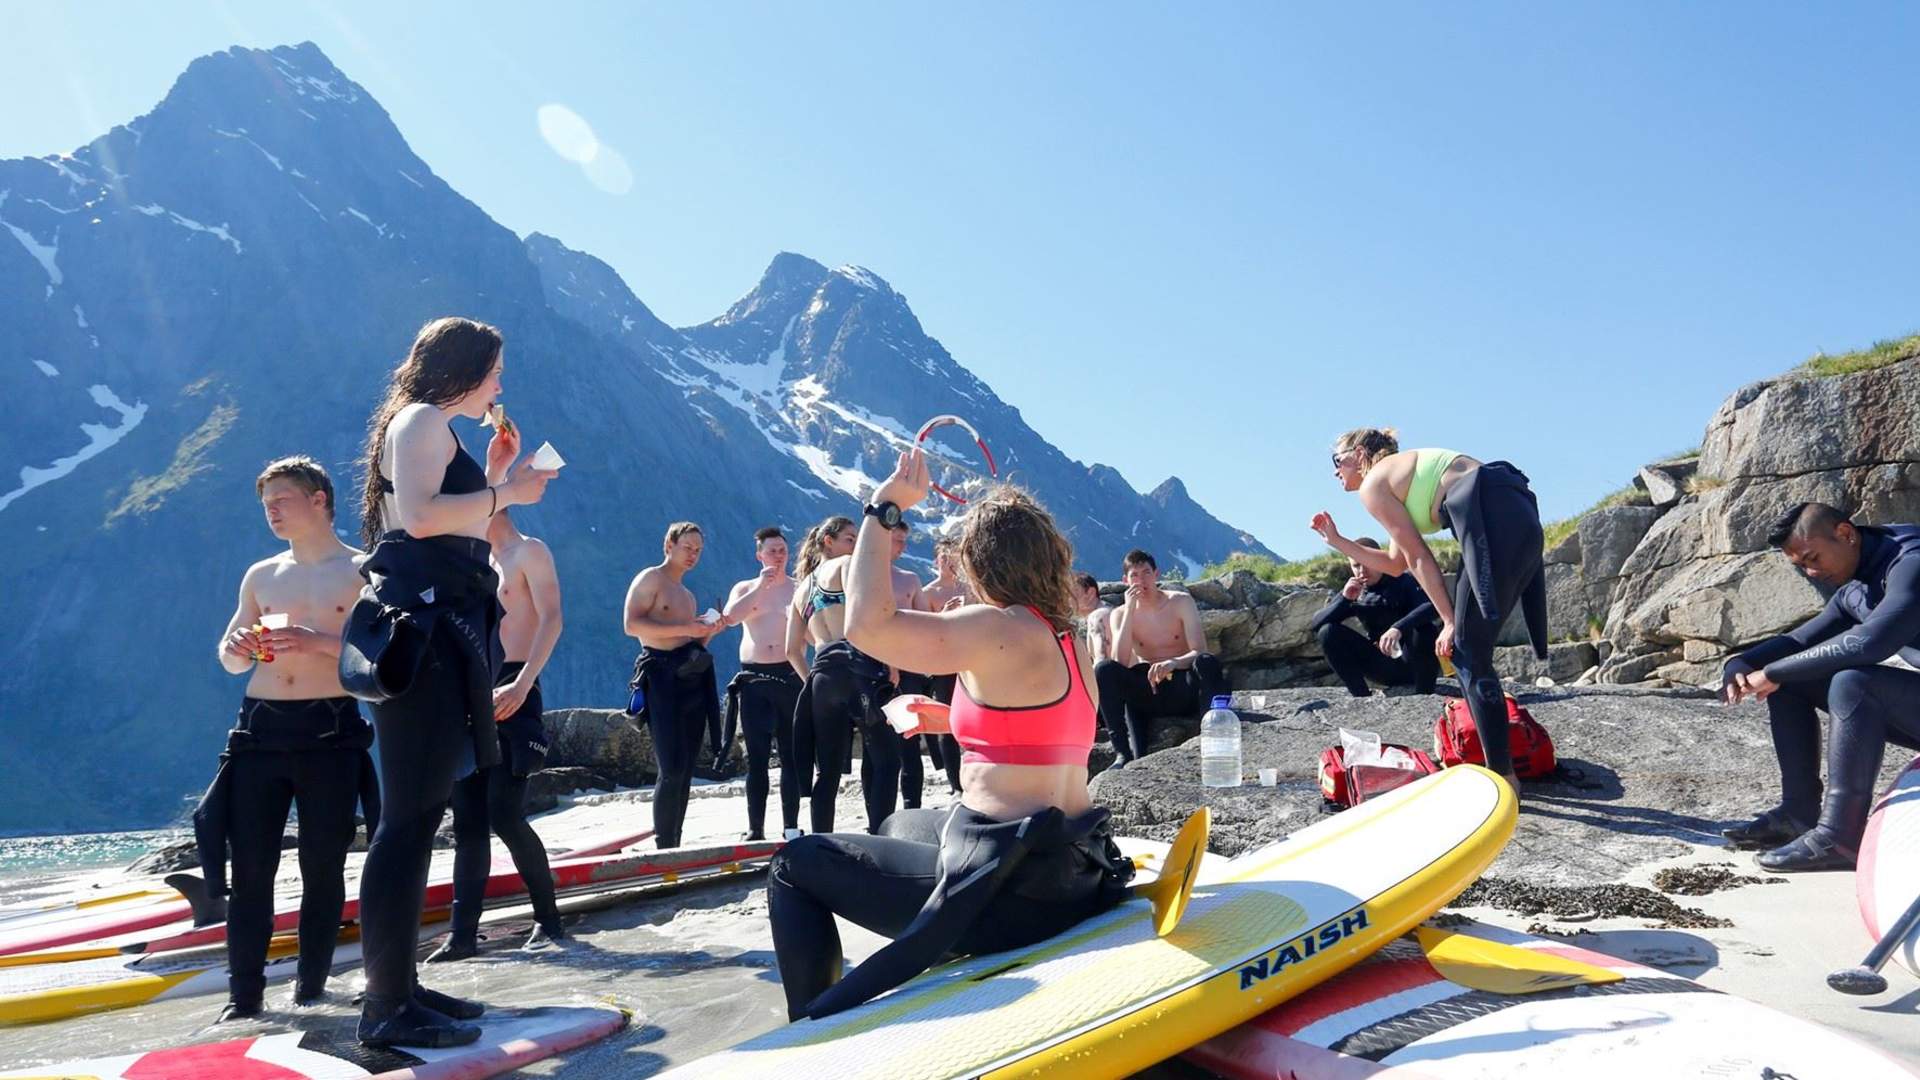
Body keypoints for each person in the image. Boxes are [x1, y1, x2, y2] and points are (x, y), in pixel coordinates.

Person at [767, 451, 1135, 1020]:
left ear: (982, 565)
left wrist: (882, 510)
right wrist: (949, 718)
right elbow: (1041, 730)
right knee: (897, 824)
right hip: (1075, 868)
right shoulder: (1068, 638)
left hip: (1012, 894)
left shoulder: (996, 626)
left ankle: (813, 1031)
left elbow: (866, 625)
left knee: (794, 863)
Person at [339, 316, 554, 1048]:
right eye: (495, 369)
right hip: (427, 635)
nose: (501, 383)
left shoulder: (429, 424)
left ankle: (400, 987)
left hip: (434, 628)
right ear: (464, 366)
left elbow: (437, 516)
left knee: (419, 815)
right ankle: (384, 1007)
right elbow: (428, 520)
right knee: (405, 822)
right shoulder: (425, 418)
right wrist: (509, 494)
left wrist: (497, 474)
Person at [205, 457, 374, 1022]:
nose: (272, 511)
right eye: (266, 504)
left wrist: (317, 640)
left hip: (330, 729)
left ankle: (310, 987)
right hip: (261, 728)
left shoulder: (362, 570)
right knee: (250, 867)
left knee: (321, 865)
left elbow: (377, 656)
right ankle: (244, 998)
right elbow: (229, 658)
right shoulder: (261, 575)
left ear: (319, 499)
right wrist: (243, 647)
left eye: (282, 499)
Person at [1311, 428, 1547, 790]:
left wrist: (1450, 620)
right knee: (1471, 650)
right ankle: (1496, 765)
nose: (1334, 471)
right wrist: (1339, 542)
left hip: (1494, 517)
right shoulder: (1396, 479)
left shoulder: (1376, 481)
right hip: (1514, 512)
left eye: (1337, 460)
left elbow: (1420, 558)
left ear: (1359, 454)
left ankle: (1503, 779)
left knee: (1468, 650)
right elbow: (1395, 563)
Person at [1721, 503, 1920, 872]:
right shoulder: (1856, 583)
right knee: (1795, 679)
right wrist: (1741, 664)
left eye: (1813, 558)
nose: (1811, 572)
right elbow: (1798, 643)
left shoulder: (1910, 562)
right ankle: (1797, 814)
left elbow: (1871, 643)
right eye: (1801, 567)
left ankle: (1840, 838)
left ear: (1846, 534)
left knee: (1855, 683)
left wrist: (1773, 671)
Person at [424, 504, 566, 962]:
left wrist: (524, 683)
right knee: (466, 818)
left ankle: (548, 919)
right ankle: (461, 934)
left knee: (504, 813)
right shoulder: (470, 561)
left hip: (516, 683)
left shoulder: (529, 552)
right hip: (469, 690)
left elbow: (552, 618)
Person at [623, 523, 723, 850]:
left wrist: (709, 629)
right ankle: (664, 844)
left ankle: (675, 842)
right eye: (687, 547)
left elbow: (686, 637)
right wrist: (686, 626)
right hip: (659, 676)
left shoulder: (687, 595)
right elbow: (631, 624)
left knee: (686, 765)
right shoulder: (651, 578)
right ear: (670, 543)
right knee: (671, 766)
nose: (692, 555)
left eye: (698, 550)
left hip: (689, 676)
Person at [786, 515, 887, 834]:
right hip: (858, 666)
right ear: (828, 541)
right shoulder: (846, 567)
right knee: (886, 759)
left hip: (822, 675)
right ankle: (881, 835)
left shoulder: (802, 589)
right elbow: (867, 618)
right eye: (849, 538)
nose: (856, 545)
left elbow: (792, 650)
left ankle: (821, 842)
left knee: (826, 772)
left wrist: (813, 682)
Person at [1094, 550, 1228, 766]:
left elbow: (1200, 650)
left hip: (1183, 685)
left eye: (1146, 573)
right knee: (1104, 670)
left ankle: (1211, 736)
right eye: (1134, 575)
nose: (1141, 580)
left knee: (1207, 662)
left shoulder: (1180, 602)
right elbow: (1119, 662)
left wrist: (1173, 662)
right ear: (1125, 581)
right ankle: (1122, 752)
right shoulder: (1120, 614)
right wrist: (1129, 611)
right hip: (1151, 690)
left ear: (1156, 574)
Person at [719, 527, 804, 840]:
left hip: (788, 675)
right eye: (772, 551)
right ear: (759, 555)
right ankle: (755, 828)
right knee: (756, 758)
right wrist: (761, 586)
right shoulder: (745, 588)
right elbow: (729, 617)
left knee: (790, 756)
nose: (778, 556)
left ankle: (791, 827)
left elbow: (811, 631)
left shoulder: (797, 588)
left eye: (782, 550)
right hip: (754, 678)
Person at [1310, 538, 1441, 697]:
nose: (1362, 570)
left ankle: (1424, 695)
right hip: (1383, 666)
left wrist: (1398, 628)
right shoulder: (1356, 591)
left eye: (1367, 562)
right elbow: (1316, 624)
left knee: (1424, 629)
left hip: (1416, 663)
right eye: (1356, 565)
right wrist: (1344, 600)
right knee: (1327, 632)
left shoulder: (1403, 579)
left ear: (1379, 558)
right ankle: (1361, 697)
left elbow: (1432, 606)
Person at [863, 522, 927, 815]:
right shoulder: (861, 576)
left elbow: (926, 620)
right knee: (872, 743)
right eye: (895, 540)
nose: (900, 547)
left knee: (909, 738)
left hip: (909, 664)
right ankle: (876, 811)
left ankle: (912, 808)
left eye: (904, 541)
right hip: (872, 667)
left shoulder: (910, 579)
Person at [918, 538, 972, 794]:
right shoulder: (929, 592)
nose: (949, 564)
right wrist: (942, 616)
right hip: (943, 663)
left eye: (954, 559)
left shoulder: (971, 589)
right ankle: (955, 784)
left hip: (970, 660)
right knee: (946, 721)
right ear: (936, 561)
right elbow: (924, 631)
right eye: (944, 559)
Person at [1072, 571, 1116, 665]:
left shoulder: (1098, 616)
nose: (1068, 599)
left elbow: (1102, 661)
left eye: (1073, 593)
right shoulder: (1109, 612)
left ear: (1090, 593)